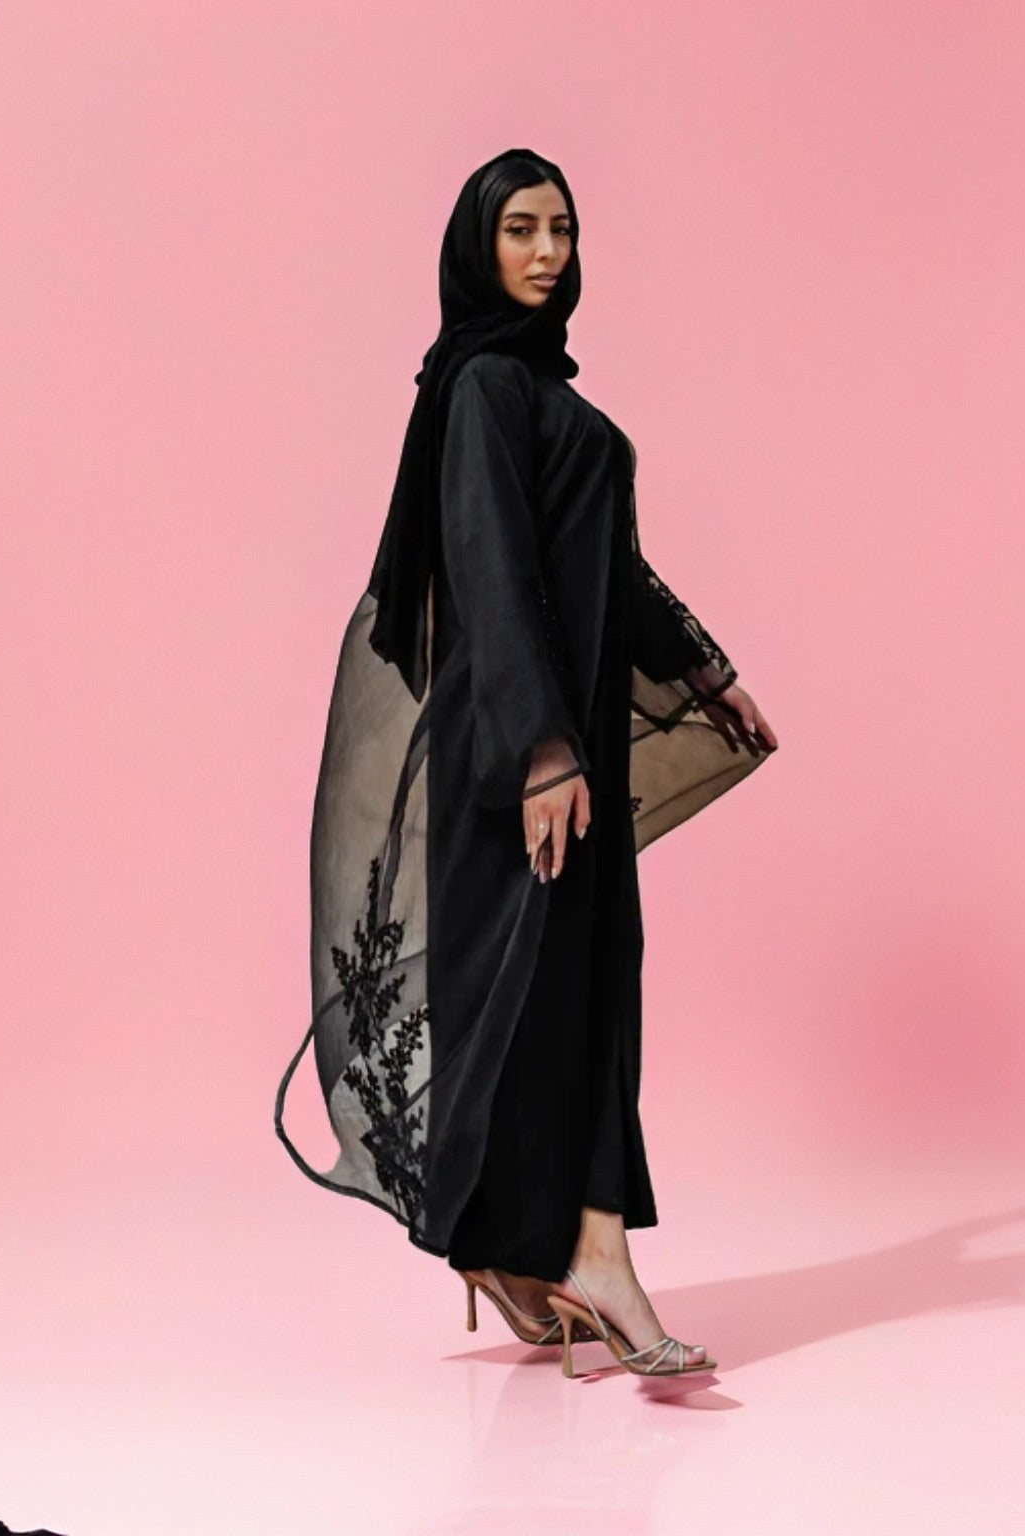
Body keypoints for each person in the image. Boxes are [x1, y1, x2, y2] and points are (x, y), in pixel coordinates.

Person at [276, 148, 778, 1378]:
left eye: (561, 228)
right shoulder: (483, 389)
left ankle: (515, 1248)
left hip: (566, 748)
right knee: (554, 1002)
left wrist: (702, 669)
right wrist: (545, 755)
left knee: (576, 995)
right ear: (476, 246)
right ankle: (591, 1255)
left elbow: (609, 566)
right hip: (519, 762)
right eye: (519, 230)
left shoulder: (540, 392)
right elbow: (491, 575)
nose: (547, 251)